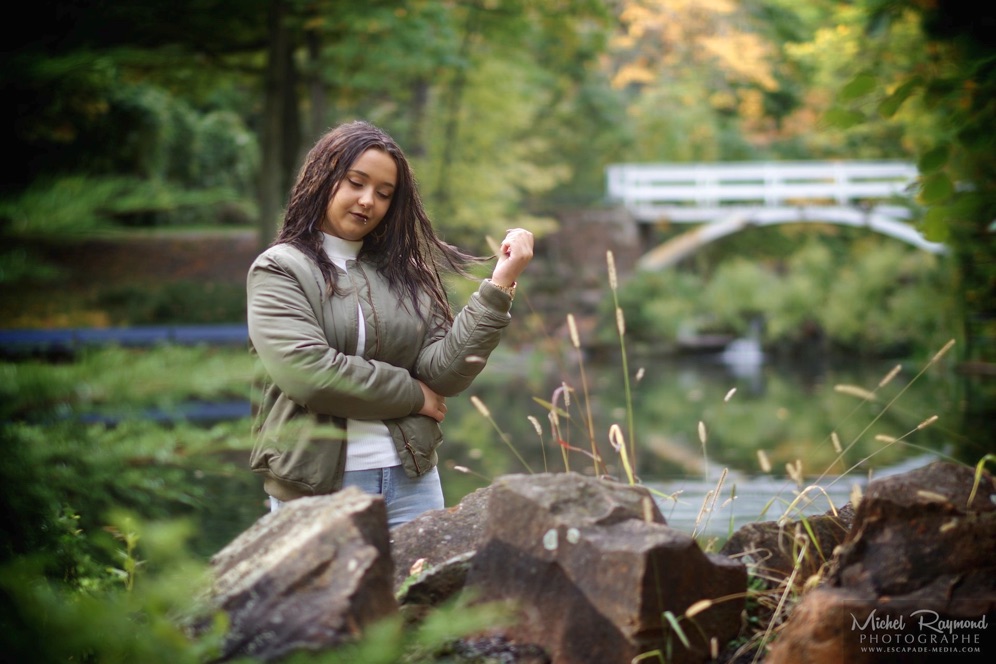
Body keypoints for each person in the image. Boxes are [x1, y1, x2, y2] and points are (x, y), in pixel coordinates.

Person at [246, 120, 533, 528]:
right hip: (316, 490)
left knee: (422, 593)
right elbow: (310, 376)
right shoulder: (281, 269)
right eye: (356, 183)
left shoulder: (404, 273)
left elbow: (443, 375)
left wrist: (500, 284)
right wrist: (414, 397)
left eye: (384, 193)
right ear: (324, 178)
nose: (368, 201)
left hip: (412, 483)